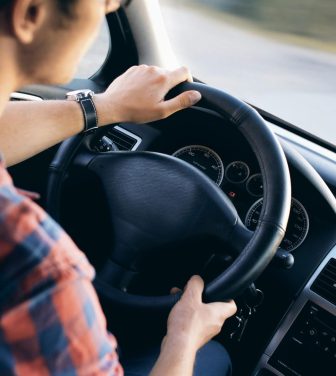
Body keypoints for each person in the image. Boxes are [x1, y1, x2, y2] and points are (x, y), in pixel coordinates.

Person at [0, 0, 237, 375]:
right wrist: (184, 337)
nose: (107, 12)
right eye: (106, 3)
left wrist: (106, 106)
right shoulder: (37, 266)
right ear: (30, 13)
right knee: (214, 358)